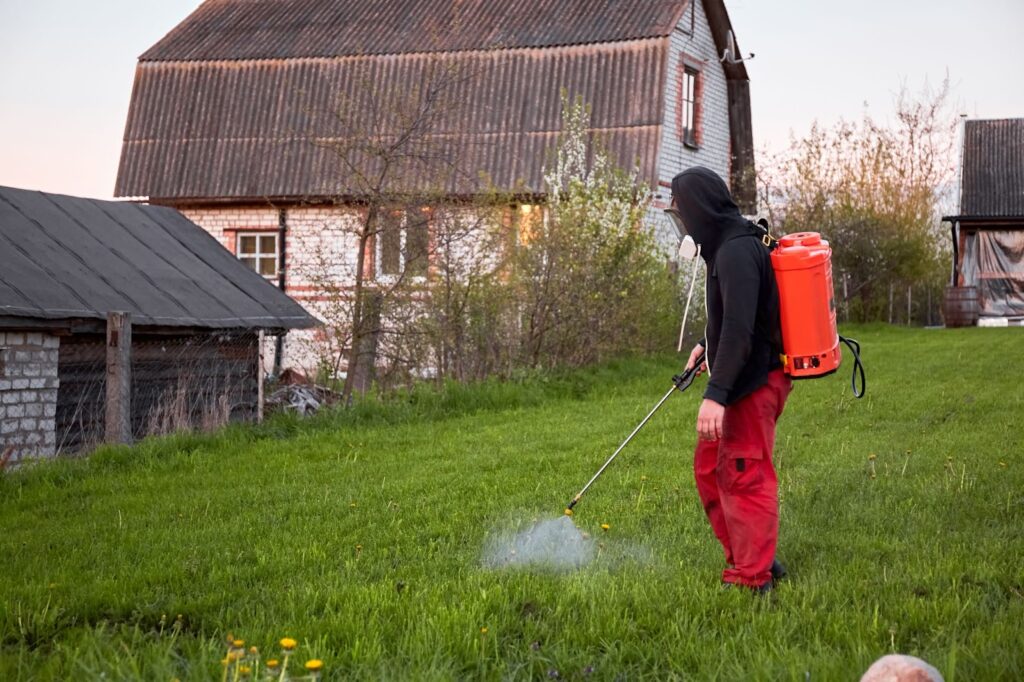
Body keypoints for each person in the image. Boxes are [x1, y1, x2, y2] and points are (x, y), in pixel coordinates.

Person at [667, 166, 792, 592]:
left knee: (744, 474)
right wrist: (707, 342)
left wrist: (716, 394)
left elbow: (741, 328)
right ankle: (749, 554)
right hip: (740, 374)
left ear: (700, 208)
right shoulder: (726, 245)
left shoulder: (737, 251)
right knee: (709, 468)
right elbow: (735, 315)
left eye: (683, 212)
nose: (682, 222)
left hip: (752, 382)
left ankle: (753, 577)